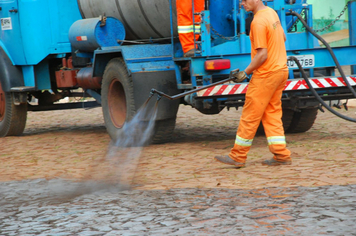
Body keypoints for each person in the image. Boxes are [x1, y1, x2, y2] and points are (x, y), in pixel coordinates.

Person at [214, 0, 292, 167]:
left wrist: (245, 72)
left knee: (250, 115)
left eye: (244, 0)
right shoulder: (271, 13)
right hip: (281, 71)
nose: (241, 4)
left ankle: (238, 156)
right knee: (272, 112)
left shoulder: (257, 21)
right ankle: (281, 154)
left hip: (266, 75)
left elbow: (262, 55)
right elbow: (283, 37)